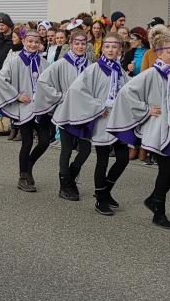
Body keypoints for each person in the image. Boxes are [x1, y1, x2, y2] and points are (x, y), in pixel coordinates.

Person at [108, 27, 170, 229]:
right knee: (165, 170)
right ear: (159, 53)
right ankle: (159, 213)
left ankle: (154, 198)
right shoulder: (151, 74)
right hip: (159, 130)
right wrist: (146, 109)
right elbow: (126, 93)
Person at [54, 33, 129, 215]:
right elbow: (76, 91)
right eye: (107, 47)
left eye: (114, 47)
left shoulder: (120, 71)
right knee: (102, 160)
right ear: (102, 49)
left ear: (120, 50)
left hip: (117, 121)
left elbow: (128, 91)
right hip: (101, 120)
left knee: (123, 158)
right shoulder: (94, 69)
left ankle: (106, 190)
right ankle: (100, 198)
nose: (111, 50)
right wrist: (98, 106)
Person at [34, 27, 91, 199]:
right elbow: (43, 81)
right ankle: (64, 185)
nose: (80, 47)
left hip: (85, 113)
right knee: (66, 148)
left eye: (83, 43)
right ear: (71, 44)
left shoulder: (90, 65)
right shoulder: (61, 63)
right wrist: (60, 96)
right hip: (67, 111)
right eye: (77, 43)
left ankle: (71, 176)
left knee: (86, 149)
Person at [0, 26, 51, 192]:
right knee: (27, 141)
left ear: (41, 44)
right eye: (30, 41)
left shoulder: (44, 63)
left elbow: (50, 83)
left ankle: (29, 165)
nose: (33, 44)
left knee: (45, 141)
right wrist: (16, 95)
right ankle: (23, 176)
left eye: (36, 42)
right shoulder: (15, 61)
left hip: (40, 109)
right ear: (24, 41)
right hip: (24, 108)